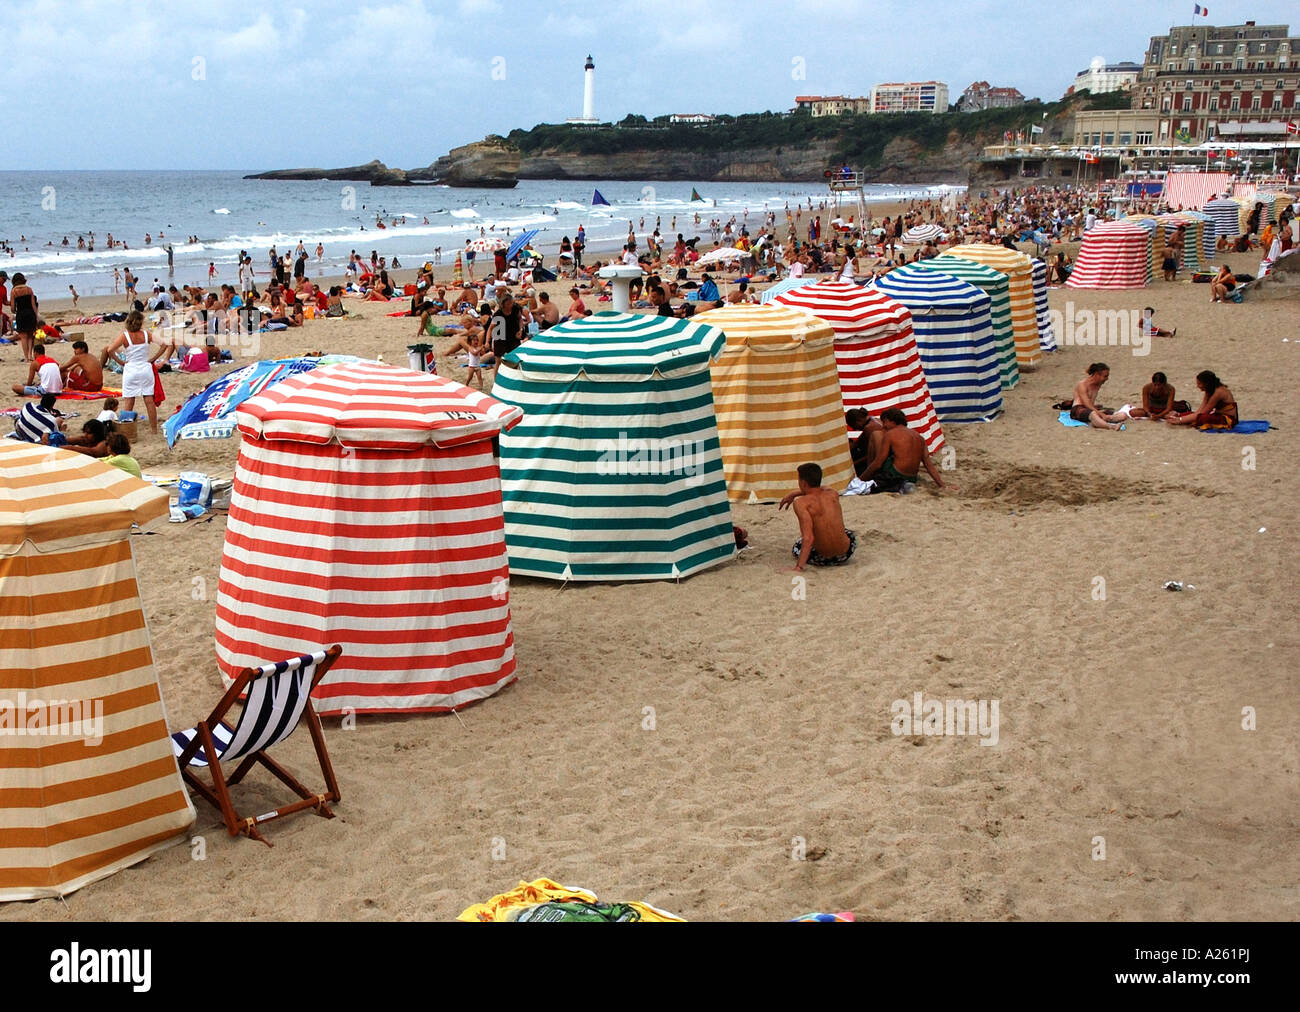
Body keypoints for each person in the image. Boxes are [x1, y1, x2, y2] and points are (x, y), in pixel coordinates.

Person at [778, 462, 856, 570]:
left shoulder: (801, 503)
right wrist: (794, 493)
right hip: (845, 554)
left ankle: (802, 564)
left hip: (822, 557)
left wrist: (799, 567)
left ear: (804, 483)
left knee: (797, 545)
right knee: (848, 533)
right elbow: (821, 489)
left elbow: (808, 538)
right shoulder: (833, 493)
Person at [103, 310, 168, 434]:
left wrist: (121, 363)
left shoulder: (125, 336)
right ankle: (154, 429)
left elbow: (110, 349)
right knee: (149, 400)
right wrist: (153, 359)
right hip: (145, 368)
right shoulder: (146, 334)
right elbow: (164, 344)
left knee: (129, 401)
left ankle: (127, 431)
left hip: (131, 369)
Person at [859, 407, 950, 492]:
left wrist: (861, 479)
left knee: (876, 435)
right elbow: (929, 465)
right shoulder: (919, 437)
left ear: (889, 420)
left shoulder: (890, 434)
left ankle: (896, 484)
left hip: (895, 474)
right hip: (912, 477)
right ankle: (904, 484)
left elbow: (878, 462)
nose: (883, 426)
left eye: (884, 422)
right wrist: (942, 485)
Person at [1167, 370, 1238, 429]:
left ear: (1206, 384)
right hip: (1216, 415)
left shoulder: (1218, 392)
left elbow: (1204, 412)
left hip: (1228, 419)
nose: (1198, 386)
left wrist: (1180, 420)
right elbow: (1199, 410)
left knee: (1202, 418)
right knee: (1191, 414)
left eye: (1199, 384)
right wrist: (1180, 415)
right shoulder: (1209, 391)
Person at [1069, 363, 1126, 431]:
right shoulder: (1082, 384)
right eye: (1105, 376)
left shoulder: (1098, 384)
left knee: (1122, 415)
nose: (1107, 379)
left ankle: (1098, 421)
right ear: (1096, 375)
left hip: (1090, 409)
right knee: (1093, 414)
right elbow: (1086, 403)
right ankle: (1111, 426)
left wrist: (1101, 413)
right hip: (1078, 409)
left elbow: (1090, 403)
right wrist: (1100, 414)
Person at [490, 290, 525, 379]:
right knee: (498, 361)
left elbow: (520, 319)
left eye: (511, 303)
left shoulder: (515, 309)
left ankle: (514, 378)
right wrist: (489, 342)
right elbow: (491, 328)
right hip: (501, 336)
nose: (510, 305)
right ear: (503, 304)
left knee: (515, 358)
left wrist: (520, 329)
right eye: (508, 304)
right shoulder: (498, 314)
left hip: (513, 336)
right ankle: (496, 381)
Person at [845, 408, 883, 478]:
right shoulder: (874, 419)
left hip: (881, 460)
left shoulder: (869, 428)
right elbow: (857, 443)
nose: (854, 429)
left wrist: (853, 464)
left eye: (854, 426)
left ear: (858, 421)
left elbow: (873, 456)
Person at [10, 272, 38, 362]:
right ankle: (30, 355)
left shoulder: (14, 291)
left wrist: (14, 310)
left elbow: (13, 308)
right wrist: (36, 315)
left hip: (21, 314)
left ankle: (26, 357)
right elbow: (33, 305)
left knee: (23, 337)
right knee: (30, 336)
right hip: (30, 313)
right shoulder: (29, 290)